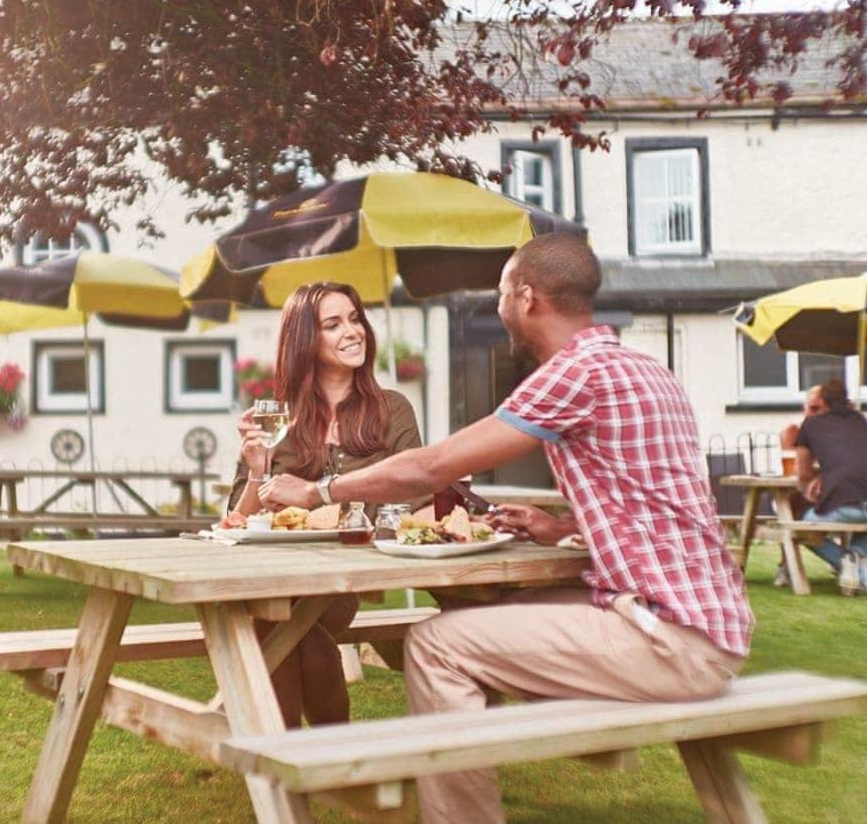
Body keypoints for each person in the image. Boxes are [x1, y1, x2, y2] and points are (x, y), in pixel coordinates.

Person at [259, 234, 752, 824]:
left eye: (499, 294)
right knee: (473, 617)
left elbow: (432, 467)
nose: (496, 307)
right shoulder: (643, 367)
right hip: (709, 623)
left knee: (436, 644)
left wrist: (320, 491)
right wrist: (561, 527)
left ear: (525, 298)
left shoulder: (573, 373)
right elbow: (656, 503)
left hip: (668, 641)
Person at [227, 281, 426, 727]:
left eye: (355, 319)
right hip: (271, 578)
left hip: (340, 580)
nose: (352, 331)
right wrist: (258, 469)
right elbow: (239, 521)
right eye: (333, 324)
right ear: (305, 341)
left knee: (291, 632)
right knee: (294, 633)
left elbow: (413, 501)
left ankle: (285, 754)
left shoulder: (392, 410)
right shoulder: (277, 417)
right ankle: (320, 752)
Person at [795, 378, 867, 594]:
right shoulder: (860, 421)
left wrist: (819, 475)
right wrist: (825, 473)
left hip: (844, 503)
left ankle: (845, 561)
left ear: (823, 403)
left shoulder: (810, 424)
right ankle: (856, 561)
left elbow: (802, 473)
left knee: (803, 529)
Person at [773, 386, 826, 586]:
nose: (815, 414)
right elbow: (798, 471)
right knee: (792, 501)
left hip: (828, 493)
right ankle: (786, 564)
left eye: (819, 409)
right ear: (803, 408)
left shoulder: (834, 435)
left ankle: (848, 562)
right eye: (811, 408)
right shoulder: (793, 431)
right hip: (796, 493)